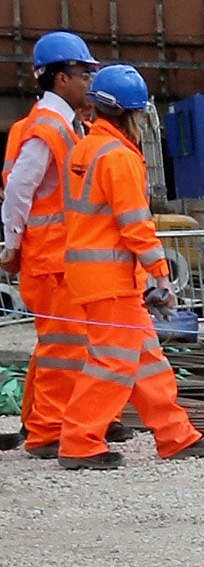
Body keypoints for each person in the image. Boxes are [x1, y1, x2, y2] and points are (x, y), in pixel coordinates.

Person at [59, 65, 204, 469]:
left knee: (148, 361)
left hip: (96, 277)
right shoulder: (119, 158)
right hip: (111, 281)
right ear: (133, 114)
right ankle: (79, 442)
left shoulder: (84, 148)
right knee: (111, 363)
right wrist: (162, 275)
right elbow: (135, 225)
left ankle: (174, 435)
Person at [0, 32, 98, 456]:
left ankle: (51, 421)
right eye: (83, 73)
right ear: (60, 79)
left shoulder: (60, 125)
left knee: (57, 343)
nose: (89, 81)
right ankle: (47, 431)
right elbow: (19, 191)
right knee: (63, 345)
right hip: (51, 258)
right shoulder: (49, 129)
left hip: (57, 257)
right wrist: (10, 245)